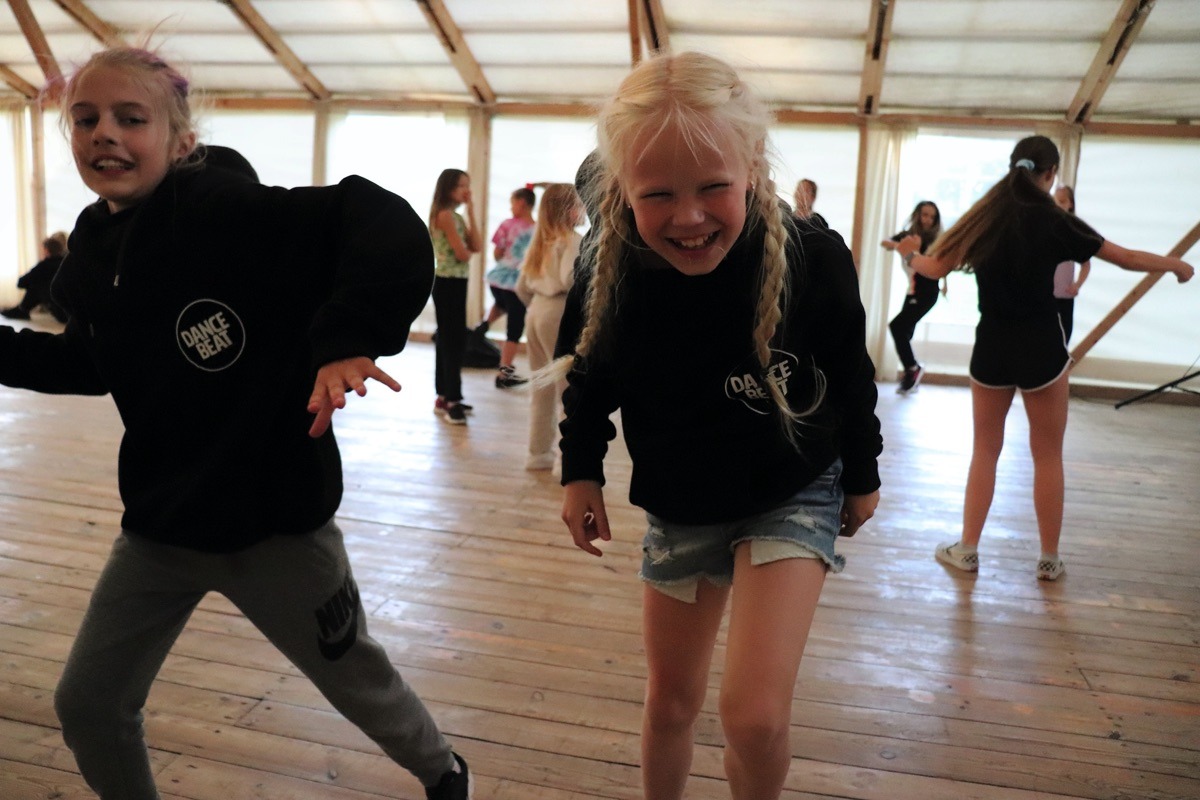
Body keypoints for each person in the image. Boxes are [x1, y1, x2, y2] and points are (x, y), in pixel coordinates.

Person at [0, 47, 472, 799]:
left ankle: (443, 771)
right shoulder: (89, 249)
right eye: (85, 120)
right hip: (160, 530)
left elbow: (376, 217)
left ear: (181, 140)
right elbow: (91, 364)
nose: (104, 134)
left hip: (276, 528)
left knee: (356, 679)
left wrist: (348, 335)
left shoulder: (229, 212)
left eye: (131, 118)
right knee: (88, 704)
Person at [547, 52, 882, 799]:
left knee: (754, 718)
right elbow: (592, 377)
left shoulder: (814, 259)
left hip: (793, 489)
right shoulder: (613, 268)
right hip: (681, 501)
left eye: (712, 188)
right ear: (621, 188)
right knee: (671, 702)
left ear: (753, 165)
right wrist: (580, 471)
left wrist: (863, 474)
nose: (689, 216)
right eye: (658, 194)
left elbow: (852, 376)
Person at [896, 135, 1193, 581]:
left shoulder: (985, 215)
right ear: (1050, 174)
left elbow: (934, 268)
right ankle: (1049, 559)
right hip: (1041, 349)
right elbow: (1125, 257)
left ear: (1013, 165)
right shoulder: (1056, 220)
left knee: (985, 451)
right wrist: (1174, 264)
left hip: (992, 347)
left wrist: (909, 254)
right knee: (1048, 455)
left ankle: (968, 549)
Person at [515, 183, 582, 471]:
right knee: (568, 389)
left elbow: (520, 287)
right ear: (569, 210)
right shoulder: (573, 240)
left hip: (535, 311)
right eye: (580, 204)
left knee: (541, 388)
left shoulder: (539, 241)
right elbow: (570, 278)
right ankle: (566, 460)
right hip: (559, 311)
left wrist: (537, 304)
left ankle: (537, 454)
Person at [429, 168, 481, 425]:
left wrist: (471, 210)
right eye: (462, 185)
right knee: (452, 341)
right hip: (447, 282)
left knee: (448, 339)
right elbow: (463, 254)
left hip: (456, 282)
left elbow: (476, 246)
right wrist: (466, 252)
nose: (467, 191)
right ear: (449, 187)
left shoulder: (457, 216)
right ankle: (453, 400)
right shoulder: (444, 215)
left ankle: (443, 396)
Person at [880, 201, 943, 393]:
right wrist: (902, 246)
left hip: (927, 292)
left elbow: (936, 265)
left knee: (897, 327)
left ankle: (912, 368)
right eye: (925, 215)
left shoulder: (936, 240)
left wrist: (909, 250)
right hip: (912, 290)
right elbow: (885, 242)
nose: (928, 220)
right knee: (904, 333)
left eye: (932, 217)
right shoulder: (908, 236)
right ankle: (912, 373)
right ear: (917, 215)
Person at [481, 186, 536, 388]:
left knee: (502, 304)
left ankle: (481, 329)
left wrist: (506, 260)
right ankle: (504, 374)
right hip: (518, 285)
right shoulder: (539, 230)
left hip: (498, 281)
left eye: (512, 203)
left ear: (522, 203)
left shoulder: (507, 224)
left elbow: (497, 253)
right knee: (514, 328)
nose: (511, 208)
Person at [1051, 185, 1091, 341]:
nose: (1057, 206)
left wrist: (1077, 284)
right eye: (1054, 202)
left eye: (1062, 201)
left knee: (1063, 338)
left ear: (1070, 204)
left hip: (1065, 297)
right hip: (1045, 296)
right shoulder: (1045, 230)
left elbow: (1086, 264)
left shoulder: (1075, 232)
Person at [2, 232, 70, 322]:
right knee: (41, 283)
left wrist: (35, 280)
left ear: (46, 250)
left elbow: (21, 283)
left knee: (37, 285)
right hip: (72, 311)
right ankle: (22, 309)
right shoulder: (67, 263)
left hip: (63, 315)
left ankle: (22, 310)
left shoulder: (44, 265)